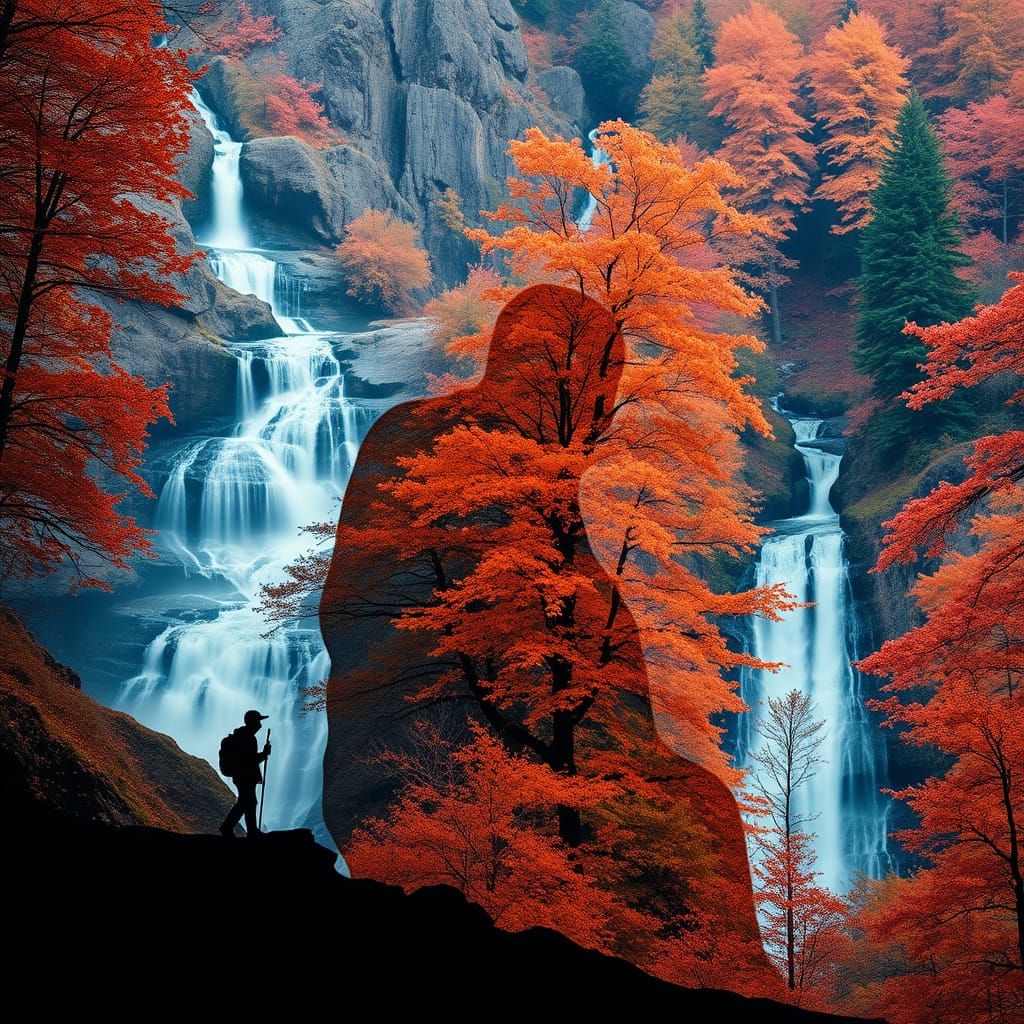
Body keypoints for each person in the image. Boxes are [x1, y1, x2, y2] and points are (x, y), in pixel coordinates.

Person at [219, 709, 271, 839]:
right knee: (248, 802)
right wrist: (264, 754)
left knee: (246, 802)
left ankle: (246, 829)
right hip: (245, 776)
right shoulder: (248, 738)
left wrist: (262, 755)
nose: (260, 725)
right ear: (253, 722)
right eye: (258, 721)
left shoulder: (242, 736)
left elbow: (248, 759)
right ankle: (241, 829)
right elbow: (250, 760)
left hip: (240, 775)